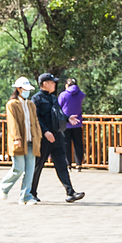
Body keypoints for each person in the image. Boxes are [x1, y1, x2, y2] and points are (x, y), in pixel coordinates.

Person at [30, 72, 83, 203]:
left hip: (57, 136)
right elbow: (35, 119)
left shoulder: (53, 98)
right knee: (38, 165)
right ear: (45, 84)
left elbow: (58, 114)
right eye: (52, 82)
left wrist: (67, 118)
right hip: (44, 138)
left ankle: (70, 192)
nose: (54, 84)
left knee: (61, 164)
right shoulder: (36, 99)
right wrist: (45, 132)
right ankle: (31, 192)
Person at [0, 78, 39, 205]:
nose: (27, 92)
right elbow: (13, 123)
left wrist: (38, 137)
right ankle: (4, 186)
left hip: (31, 140)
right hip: (18, 141)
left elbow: (35, 122)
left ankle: (26, 196)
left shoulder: (31, 105)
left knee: (30, 170)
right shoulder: (12, 104)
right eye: (25, 89)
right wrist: (17, 138)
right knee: (18, 168)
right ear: (18, 89)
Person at [58, 77, 86, 168]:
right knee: (78, 144)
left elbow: (59, 107)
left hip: (65, 123)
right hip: (78, 123)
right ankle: (79, 164)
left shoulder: (63, 95)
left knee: (66, 144)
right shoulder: (81, 94)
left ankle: (68, 164)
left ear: (67, 85)